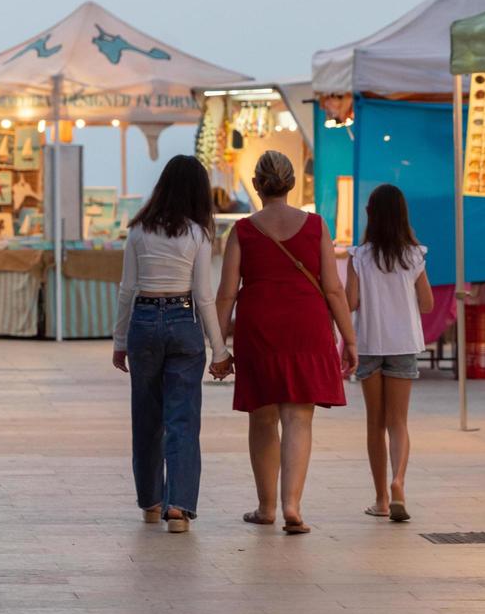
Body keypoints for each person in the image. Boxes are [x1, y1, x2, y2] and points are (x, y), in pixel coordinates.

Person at [215, 150, 356, 535]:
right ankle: (293, 505)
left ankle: (266, 507)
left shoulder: (242, 230)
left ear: (258, 186)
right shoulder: (315, 225)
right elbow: (333, 289)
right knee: (298, 416)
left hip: (258, 326)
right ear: (292, 183)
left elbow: (226, 294)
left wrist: (218, 346)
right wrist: (350, 338)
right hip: (306, 324)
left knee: (263, 416)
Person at [112, 155, 233, 533]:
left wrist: (119, 340)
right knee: (182, 419)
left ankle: (150, 501)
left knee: (146, 418)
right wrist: (220, 348)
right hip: (183, 321)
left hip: (144, 321)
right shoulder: (198, 234)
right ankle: (178, 507)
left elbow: (127, 289)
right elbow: (204, 296)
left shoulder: (138, 230)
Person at [345, 183, 433, 523]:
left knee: (374, 424)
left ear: (370, 214)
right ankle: (399, 482)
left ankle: (381, 498)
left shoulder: (359, 257)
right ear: (402, 216)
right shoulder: (414, 256)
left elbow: (351, 302)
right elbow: (427, 303)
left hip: (369, 344)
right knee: (398, 422)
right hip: (404, 343)